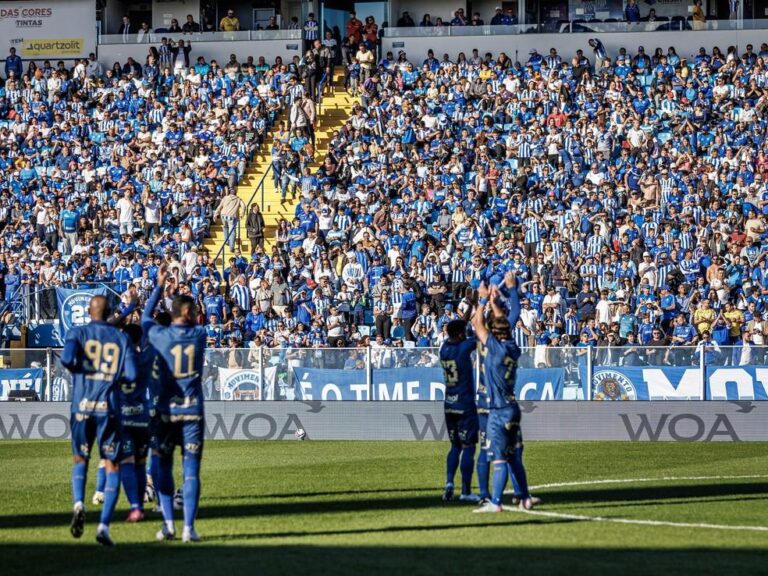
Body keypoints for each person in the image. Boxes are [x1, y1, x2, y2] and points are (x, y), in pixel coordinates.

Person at [61, 295, 138, 546]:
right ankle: (104, 526)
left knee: (80, 458)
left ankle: (79, 503)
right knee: (111, 463)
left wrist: (83, 375)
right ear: (109, 312)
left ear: (88, 310)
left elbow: (67, 360)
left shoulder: (77, 332)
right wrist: (111, 379)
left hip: (82, 405)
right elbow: (131, 374)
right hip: (109, 407)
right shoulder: (121, 337)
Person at [143, 266, 208, 543]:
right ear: (188, 314)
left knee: (162, 467)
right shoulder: (200, 335)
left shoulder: (159, 336)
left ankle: (169, 524)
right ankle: (188, 529)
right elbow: (194, 320)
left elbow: (146, 317)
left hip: (165, 412)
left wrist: (159, 287)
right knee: (191, 472)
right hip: (192, 410)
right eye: (192, 311)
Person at [470, 274, 534, 513]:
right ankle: (524, 495)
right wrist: (508, 293)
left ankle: (492, 500)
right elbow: (509, 318)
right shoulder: (513, 348)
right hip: (512, 405)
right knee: (514, 454)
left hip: (494, 407)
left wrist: (484, 300)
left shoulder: (492, 347)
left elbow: (478, 325)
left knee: (495, 457)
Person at [439, 319, 480, 503]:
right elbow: (479, 335)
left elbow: (458, 329)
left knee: (454, 446)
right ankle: (465, 491)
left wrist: (469, 308)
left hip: (449, 404)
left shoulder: (444, 349)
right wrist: (480, 304)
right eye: (463, 331)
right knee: (469, 447)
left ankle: (449, 483)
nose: (466, 333)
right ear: (459, 334)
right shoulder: (464, 348)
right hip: (465, 404)